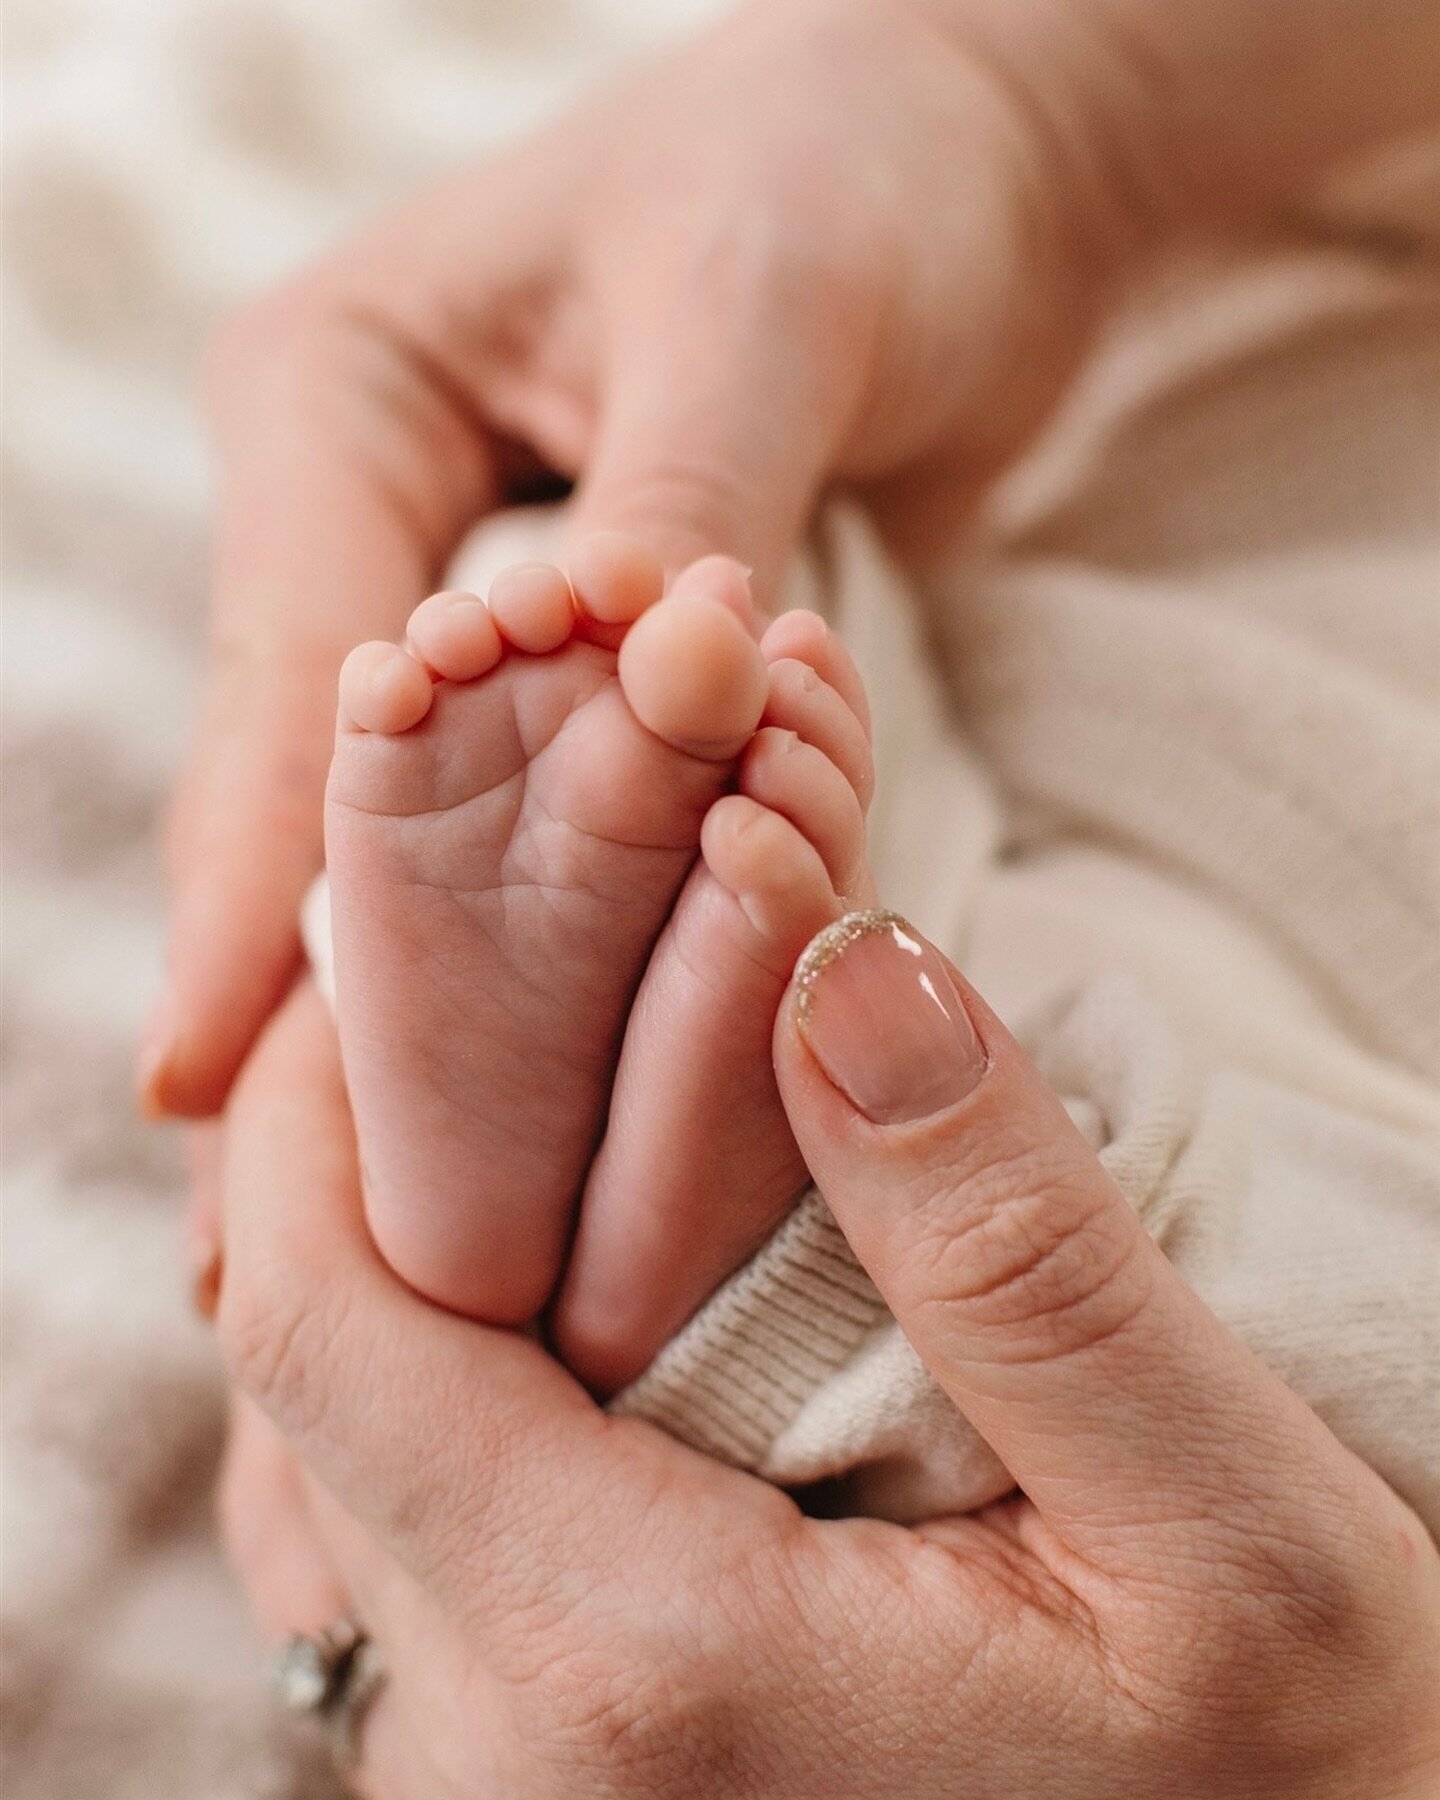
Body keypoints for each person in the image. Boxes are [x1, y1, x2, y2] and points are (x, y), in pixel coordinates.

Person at [149, 0, 1440, 1787]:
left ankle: (686, 1194)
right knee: (682, 609)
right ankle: (696, 1161)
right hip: (1150, 511)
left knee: (1251, 1357)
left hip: (1154, 662)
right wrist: (1034, 105)